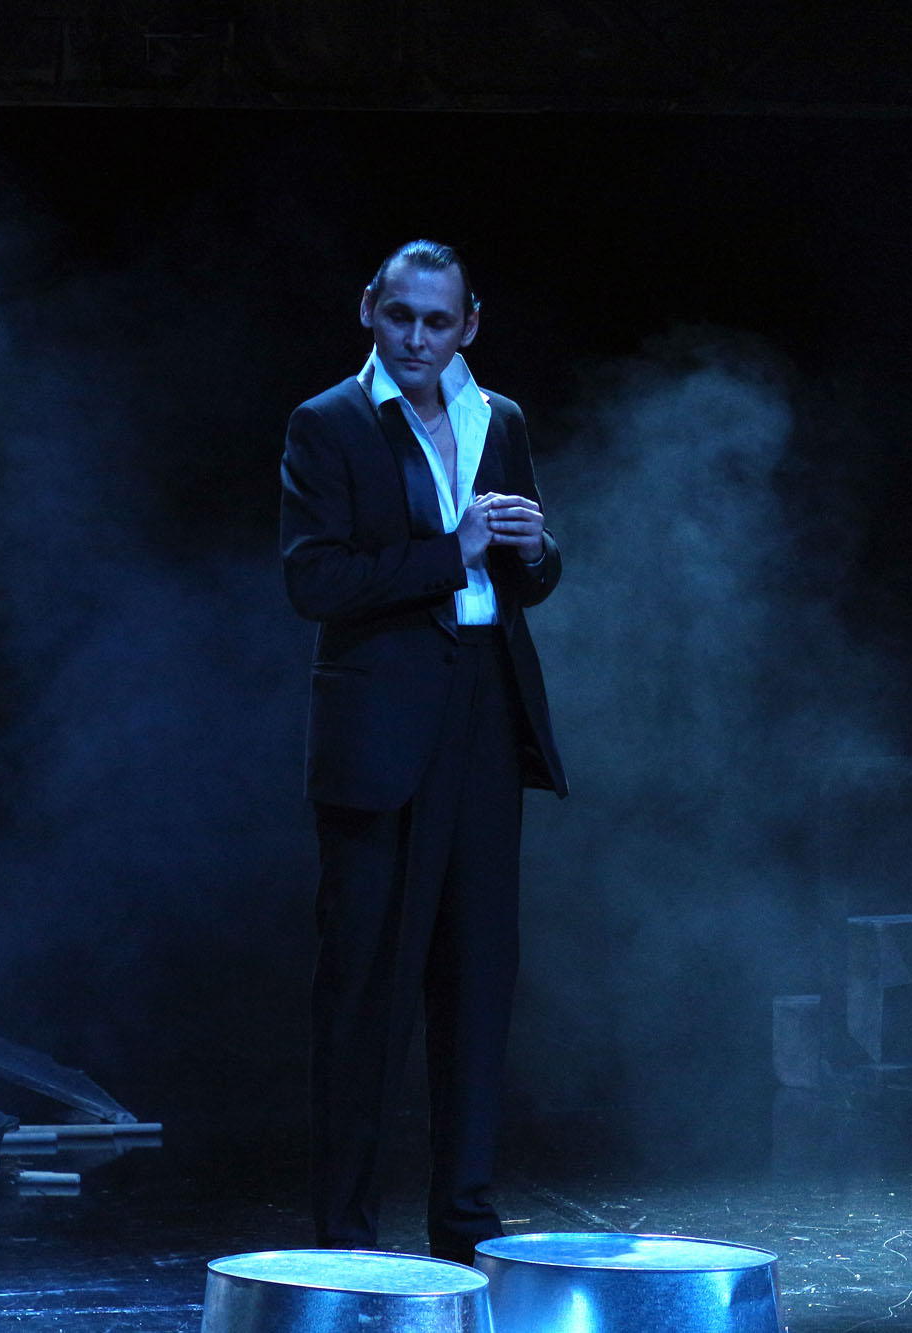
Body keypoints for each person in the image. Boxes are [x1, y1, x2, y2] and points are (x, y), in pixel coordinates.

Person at [278, 239, 567, 1265]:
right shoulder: (329, 423)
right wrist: (454, 551)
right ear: (369, 307)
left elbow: (528, 579)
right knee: (364, 987)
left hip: (483, 710)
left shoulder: (501, 420)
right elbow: (314, 581)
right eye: (398, 315)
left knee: (477, 978)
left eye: (435, 321)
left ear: (467, 325)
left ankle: (467, 1225)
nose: (414, 337)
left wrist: (533, 550)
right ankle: (345, 1235)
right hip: (381, 731)